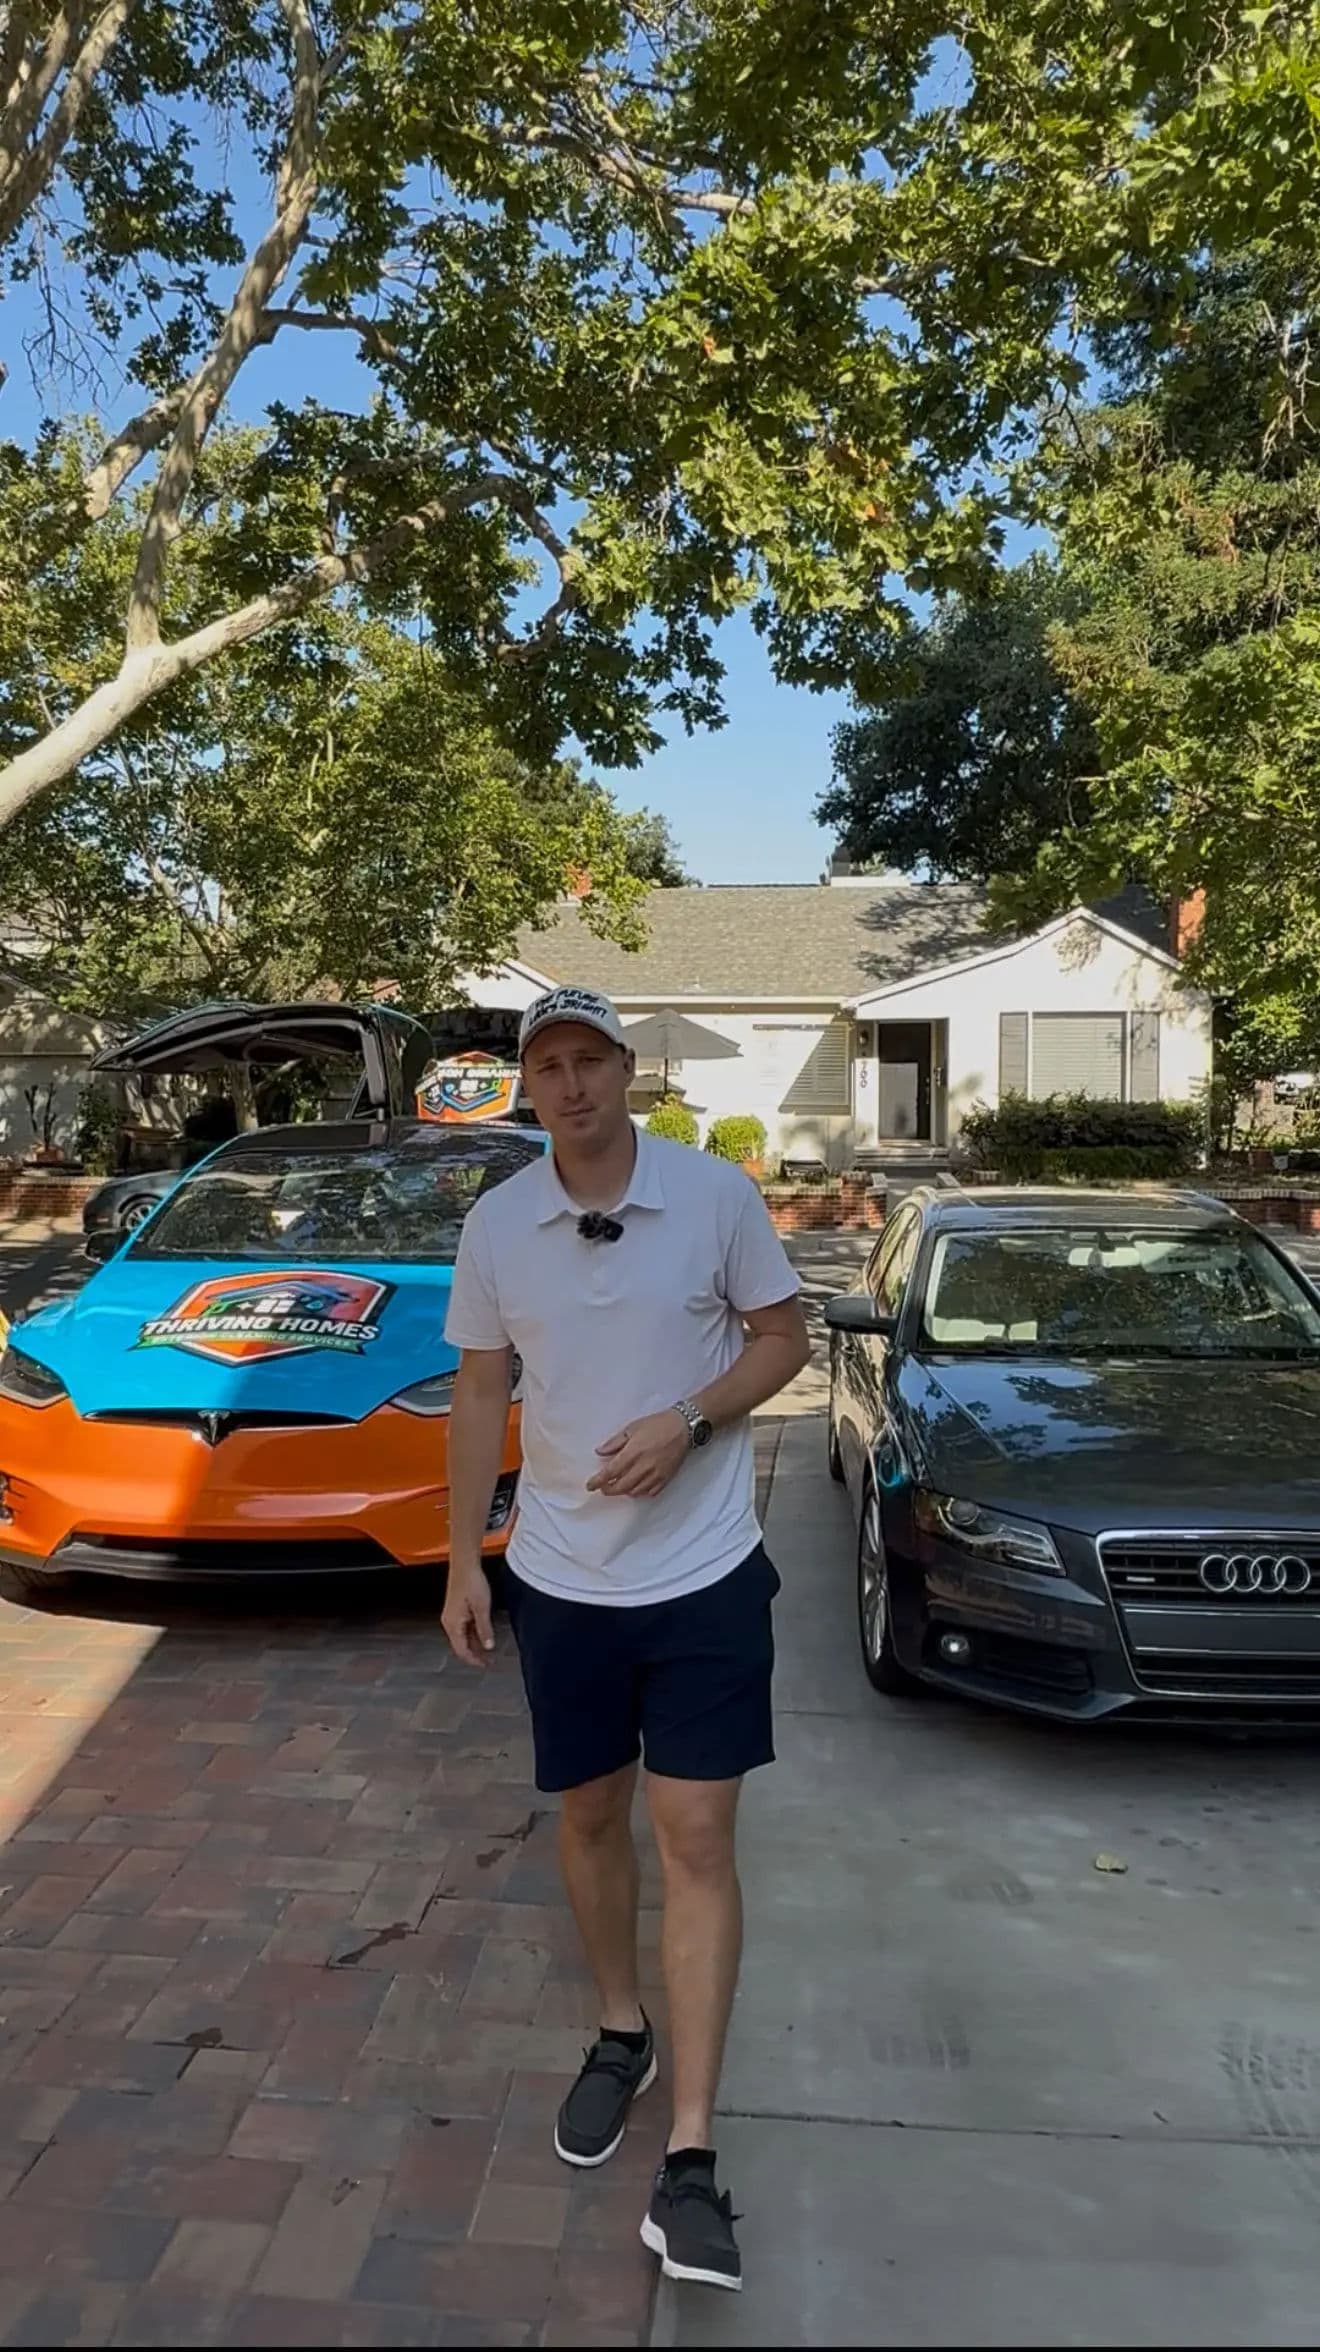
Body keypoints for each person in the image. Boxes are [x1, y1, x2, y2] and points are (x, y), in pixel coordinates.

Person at [442, 983, 809, 2294]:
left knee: (695, 1833)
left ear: (625, 1071)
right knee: (589, 1814)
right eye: (550, 1065)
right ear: (526, 1087)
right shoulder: (498, 1224)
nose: (574, 1084)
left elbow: (783, 1338)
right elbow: (481, 1385)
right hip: (559, 1579)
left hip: (705, 1574)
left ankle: (693, 2158)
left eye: (592, 1060)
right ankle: (618, 2029)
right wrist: (461, 1563)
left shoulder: (712, 1197)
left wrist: (693, 1421)